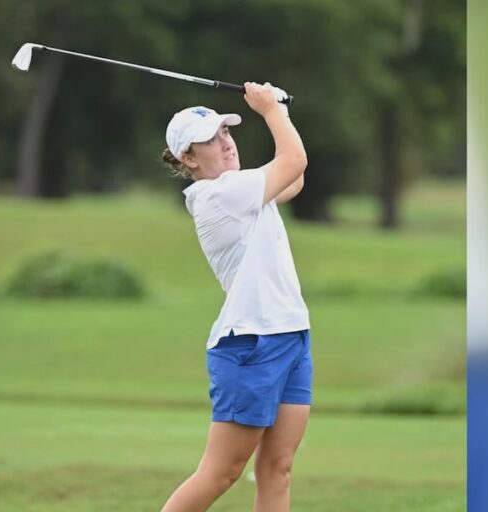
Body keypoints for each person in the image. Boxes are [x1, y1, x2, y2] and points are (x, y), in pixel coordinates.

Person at [159, 82, 311, 512]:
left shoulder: (244, 189)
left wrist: (281, 110)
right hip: (250, 344)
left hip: (291, 334)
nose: (226, 143)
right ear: (189, 158)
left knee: (278, 468)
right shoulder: (219, 194)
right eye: (211, 140)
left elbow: (294, 178)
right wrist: (271, 110)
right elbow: (294, 160)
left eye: (225, 132)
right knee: (221, 473)